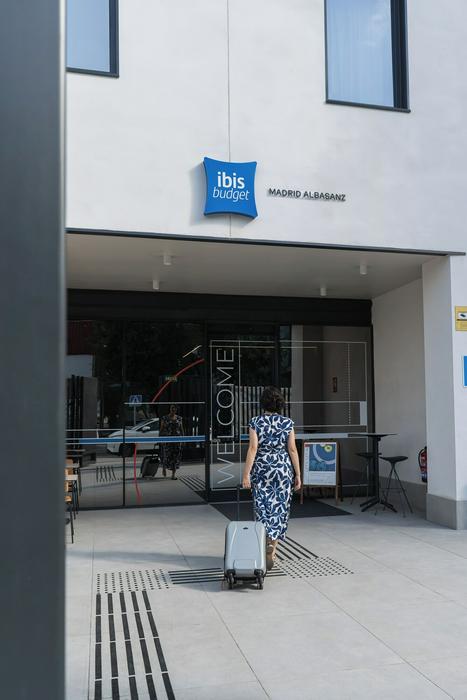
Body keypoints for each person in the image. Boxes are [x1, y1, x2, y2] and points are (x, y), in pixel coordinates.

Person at [242, 386, 301, 570]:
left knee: (262, 507)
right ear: (280, 404)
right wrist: (298, 474)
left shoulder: (255, 422)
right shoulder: (288, 423)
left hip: (262, 469)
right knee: (279, 509)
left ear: (263, 403)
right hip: (282, 470)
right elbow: (292, 449)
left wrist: (246, 475)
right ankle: (273, 548)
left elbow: (253, 448)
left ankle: (265, 541)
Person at [160, 404, 184, 479]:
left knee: (176, 457)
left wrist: (184, 439)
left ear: (176, 409)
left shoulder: (179, 418)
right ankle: (164, 468)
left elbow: (181, 429)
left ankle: (173, 475)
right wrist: (160, 439)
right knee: (166, 455)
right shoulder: (164, 418)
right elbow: (161, 429)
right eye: (172, 408)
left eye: (174, 408)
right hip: (167, 440)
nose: (173, 409)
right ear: (170, 409)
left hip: (177, 440)